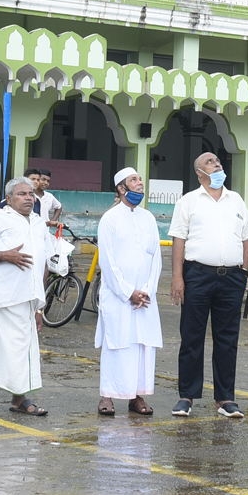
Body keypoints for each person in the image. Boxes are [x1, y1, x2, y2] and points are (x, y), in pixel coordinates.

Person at [168, 150, 248, 418]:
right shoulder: (188, 201)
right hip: (198, 275)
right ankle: (187, 396)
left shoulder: (236, 199)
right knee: (192, 337)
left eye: (217, 161)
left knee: (228, 338)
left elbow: (247, 237)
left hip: (232, 278)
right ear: (199, 173)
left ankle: (225, 398)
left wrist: (243, 272)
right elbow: (179, 240)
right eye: (210, 162)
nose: (217, 164)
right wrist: (177, 277)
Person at [0, 176, 54, 418]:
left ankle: (19, 399)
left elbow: (44, 263)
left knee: (25, 350)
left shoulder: (39, 223)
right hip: (3, 295)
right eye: (21, 194)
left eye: (30, 194)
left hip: (30, 299)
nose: (28, 198)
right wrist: (5, 255)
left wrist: (39, 307)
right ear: (8, 198)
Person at [95, 168, 163, 417]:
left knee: (142, 346)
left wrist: (147, 290)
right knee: (117, 343)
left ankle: (137, 396)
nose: (140, 183)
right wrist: (128, 292)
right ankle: (107, 396)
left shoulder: (149, 218)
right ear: (121, 188)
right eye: (134, 180)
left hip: (145, 298)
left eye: (140, 179)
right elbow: (107, 261)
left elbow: (156, 258)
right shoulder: (109, 219)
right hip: (119, 297)